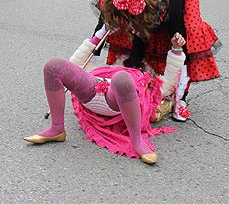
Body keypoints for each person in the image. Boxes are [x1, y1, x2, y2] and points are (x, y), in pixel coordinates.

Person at [24, 30, 188, 164]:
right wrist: (97, 36)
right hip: (93, 88)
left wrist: (176, 50)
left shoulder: (148, 81)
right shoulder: (114, 64)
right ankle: (57, 128)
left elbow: (167, 85)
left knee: (122, 79)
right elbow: (76, 66)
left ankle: (137, 140)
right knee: (54, 65)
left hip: (117, 101)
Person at [96, 0, 220, 116]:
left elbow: (180, 51)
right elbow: (99, 33)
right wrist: (86, 67)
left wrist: (177, 44)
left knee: (188, 35)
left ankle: (180, 98)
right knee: (128, 35)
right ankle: (131, 74)